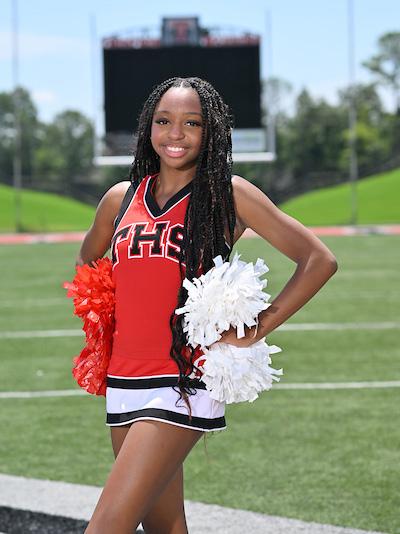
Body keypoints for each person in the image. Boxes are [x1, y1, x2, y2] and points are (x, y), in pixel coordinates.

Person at [77, 76, 338, 534]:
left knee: (106, 527)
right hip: (124, 379)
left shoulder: (228, 194)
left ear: (210, 130)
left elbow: (318, 260)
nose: (175, 134)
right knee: (164, 526)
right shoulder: (120, 198)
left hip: (184, 380)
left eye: (191, 123)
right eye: (164, 121)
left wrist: (256, 328)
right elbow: (87, 261)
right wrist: (105, 313)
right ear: (148, 127)